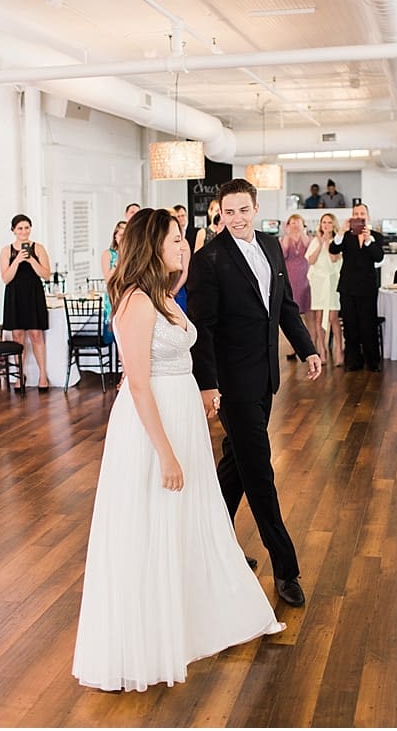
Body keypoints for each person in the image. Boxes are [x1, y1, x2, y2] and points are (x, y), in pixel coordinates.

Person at [73, 209, 284, 691]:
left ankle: (191, 617)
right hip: (152, 428)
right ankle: (150, 634)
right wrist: (166, 453)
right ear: (152, 246)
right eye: (174, 240)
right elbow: (139, 386)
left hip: (182, 417)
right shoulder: (136, 303)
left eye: (184, 239)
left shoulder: (163, 296)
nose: (183, 246)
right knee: (153, 522)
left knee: (186, 520)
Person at [187, 179, 322, 608]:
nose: (237, 219)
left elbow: (283, 307)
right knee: (260, 473)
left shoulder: (269, 246)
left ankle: (208, 548)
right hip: (231, 385)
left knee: (236, 464)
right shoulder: (207, 259)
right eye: (229, 212)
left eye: (243, 210)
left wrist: (307, 348)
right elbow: (202, 330)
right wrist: (208, 385)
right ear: (219, 214)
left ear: (256, 208)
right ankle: (286, 568)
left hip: (265, 378)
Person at [0, 214, 52, 390]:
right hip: (15, 294)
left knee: (36, 334)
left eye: (26, 227)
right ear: (13, 230)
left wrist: (31, 260)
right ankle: (19, 375)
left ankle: (42, 376)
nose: (24, 231)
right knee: (18, 336)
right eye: (20, 228)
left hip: (33, 293)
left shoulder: (39, 248)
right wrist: (18, 260)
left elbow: (46, 274)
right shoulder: (7, 251)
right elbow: (6, 278)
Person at [329, 203, 384, 372]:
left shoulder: (375, 236)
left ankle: (372, 361)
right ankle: (353, 361)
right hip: (348, 287)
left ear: (367, 216)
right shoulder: (345, 235)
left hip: (367, 288)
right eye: (356, 213)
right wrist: (341, 231)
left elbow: (379, 257)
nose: (359, 216)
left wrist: (368, 241)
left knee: (368, 326)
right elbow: (333, 248)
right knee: (350, 326)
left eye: (362, 213)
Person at [306, 213, 344, 366]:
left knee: (333, 318)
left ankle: (339, 350)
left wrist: (328, 243)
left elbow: (334, 258)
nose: (326, 225)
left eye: (329, 222)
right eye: (324, 223)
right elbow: (310, 260)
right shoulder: (315, 241)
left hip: (333, 282)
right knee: (318, 318)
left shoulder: (338, 241)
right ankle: (322, 350)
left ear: (333, 224)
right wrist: (321, 243)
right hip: (318, 283)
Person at [280, 214, 318, 359]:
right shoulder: (283, 239)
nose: (295, 225)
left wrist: (301, 234)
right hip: (290, 280)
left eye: (298, 222)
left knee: (309, 316)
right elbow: (282, 255)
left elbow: (309, 251)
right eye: (292, 223)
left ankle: (312, 347)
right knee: (292, 316)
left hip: (306, 280)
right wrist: (288, 236)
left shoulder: (309, 239)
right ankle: (292, 347)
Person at [100, 221, 126, 342]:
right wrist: (118, 262)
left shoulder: (132, 254)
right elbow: (108, 279)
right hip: (114, 296)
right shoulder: (108, 254)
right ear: (115, 236)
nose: (123, 238)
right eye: (121, 235)